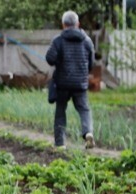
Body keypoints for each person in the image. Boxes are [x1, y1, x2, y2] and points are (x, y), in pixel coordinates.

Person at [45, 11, 95, 149]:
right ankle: (88, 133)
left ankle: (60, 143)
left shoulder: (58, 40)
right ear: (78, 24)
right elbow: (91, 64)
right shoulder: (87, 41)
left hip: (62, 84)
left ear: (63, 25)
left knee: (60, 111)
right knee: (84, 110)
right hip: (80, 84)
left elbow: (49, 59)